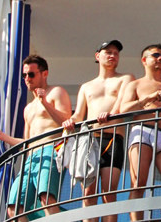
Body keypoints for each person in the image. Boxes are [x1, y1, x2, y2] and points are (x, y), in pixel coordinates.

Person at [0, 55, 72, 220]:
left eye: (31, 74)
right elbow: (27, 143)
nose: (27, 78)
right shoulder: (28, 108)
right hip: (31, 157)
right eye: (24, 75)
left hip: (51, 149)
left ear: (44, 73)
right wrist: (2, 136)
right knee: (14, 207)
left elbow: (66, 121)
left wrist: (45, 102)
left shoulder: (56, 92)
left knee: (46, 198)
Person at [61, 41, 135, 222]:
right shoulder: (86, 86)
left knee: (109, 192)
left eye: (116, 53)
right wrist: (70, 121)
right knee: (88, 193)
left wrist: (111, 113)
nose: (112, 55)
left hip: (112, 139)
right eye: (108, 52)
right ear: (97, 56)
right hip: (90, 140)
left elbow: (121, 104)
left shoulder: (126, 78)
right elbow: (79, 114)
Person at [120, 44, 161, 221]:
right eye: (156, 55)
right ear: (144, 60)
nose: (160, 59)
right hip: (142, 131)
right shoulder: (135, 85)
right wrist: (149, 98)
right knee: (138, 183)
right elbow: (123, 110)